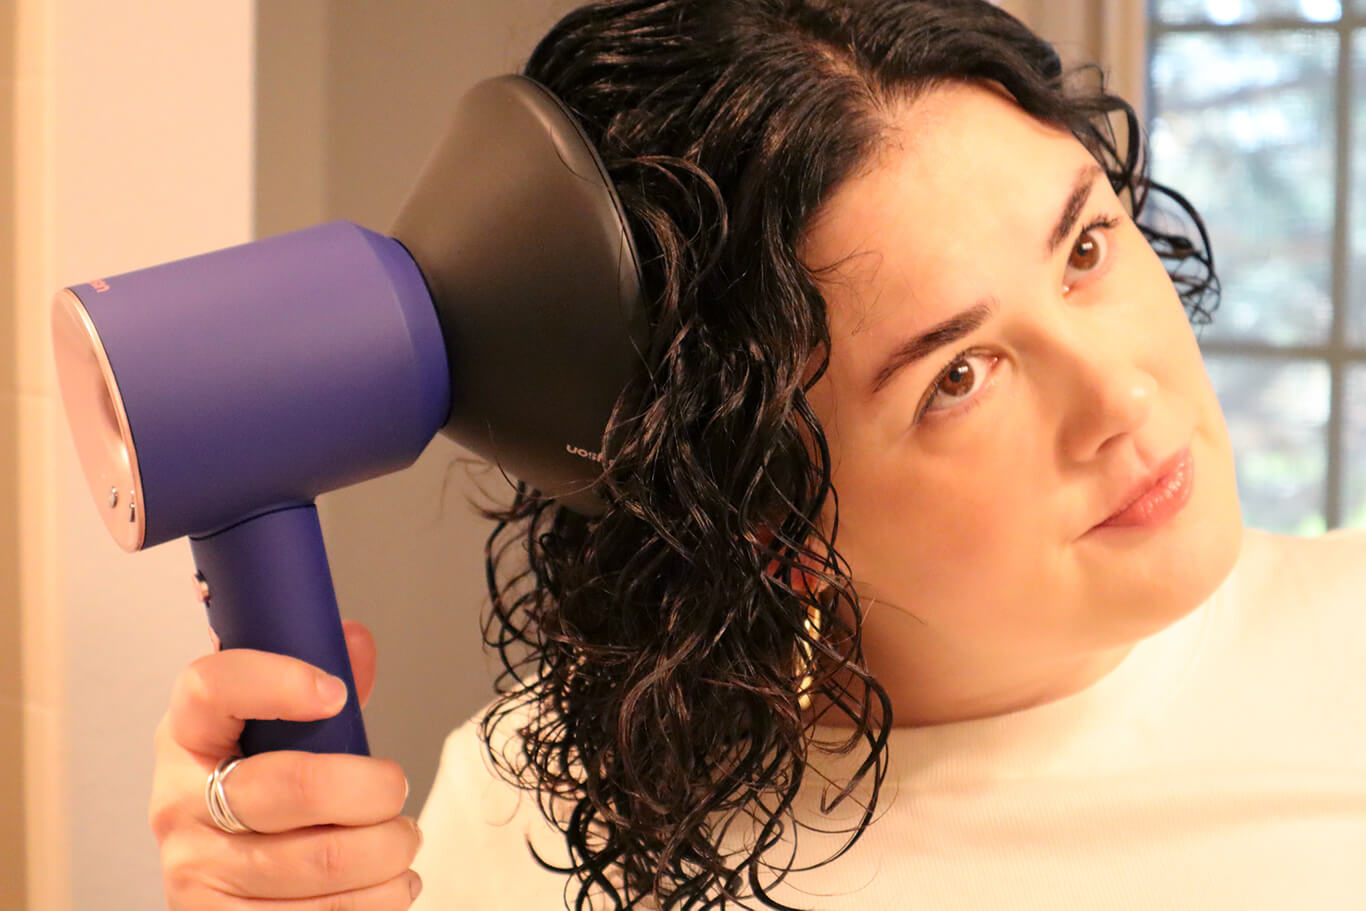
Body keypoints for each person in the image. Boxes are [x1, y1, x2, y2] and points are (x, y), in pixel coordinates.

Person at [145, 1, 1366, 908]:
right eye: (957, 375)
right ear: (771, 523)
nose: (1121, 391)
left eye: (1085, 248)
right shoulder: (537, 818)